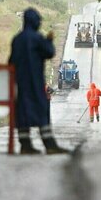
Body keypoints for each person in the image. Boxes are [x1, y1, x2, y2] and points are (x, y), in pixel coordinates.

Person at [8, 8, 69, 155]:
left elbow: (11, 61)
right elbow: (49, 52)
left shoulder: (17, 39)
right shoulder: (37, 38)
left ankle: (25, 144)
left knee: (22, 111)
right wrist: (48, 40)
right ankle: (49, 144)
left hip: (21, 82)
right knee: (42, 109)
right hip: (35, 82)